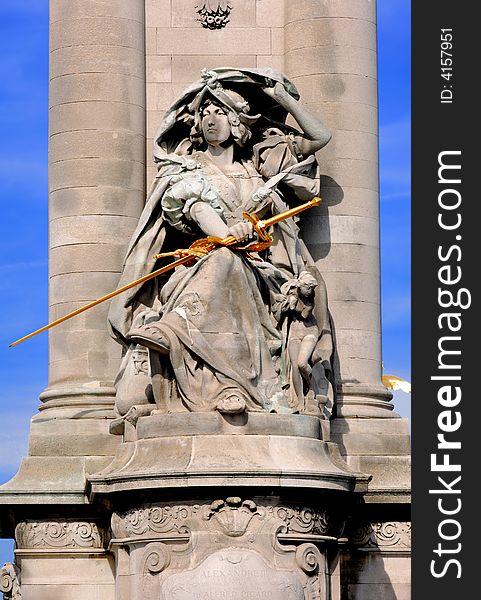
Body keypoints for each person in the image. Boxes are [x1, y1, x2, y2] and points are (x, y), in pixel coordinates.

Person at [108, 68, 334, 416]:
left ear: (237, 121)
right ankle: (184, 343)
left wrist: (283, 99)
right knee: (222, 259)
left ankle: (185, 343)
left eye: (220, 111)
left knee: (228, 261)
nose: (211, 119)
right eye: (204, 113)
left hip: (264, 273)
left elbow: (320, 136)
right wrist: (227, 233)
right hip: (201, 265)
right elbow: (195, 208)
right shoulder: (187, 172)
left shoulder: (261, 165)